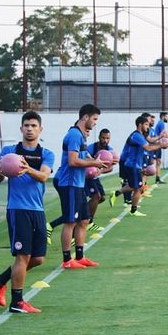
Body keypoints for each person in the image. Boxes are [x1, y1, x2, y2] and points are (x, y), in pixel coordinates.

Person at [0, 111, 54, 313]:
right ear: (21, 128)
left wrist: (27, 169)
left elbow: (44, 177)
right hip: (18, 209)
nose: (29, 129)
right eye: (26, 125)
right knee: (23, 256)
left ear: (40, 129)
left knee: (38, 258)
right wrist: (0, 171)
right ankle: (17, 302)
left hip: (38, 209)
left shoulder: (46, 154)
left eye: (33, 126)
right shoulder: (9, 151)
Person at [55, 104, 108, 269]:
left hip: (78, 184)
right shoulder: (74, 135)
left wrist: (98, 164)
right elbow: (72, 161)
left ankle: (79, 256)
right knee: (70, 222)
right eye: (94, 119)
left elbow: (85, 157)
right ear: (85, 117)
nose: (95, 123)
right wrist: (94, 162)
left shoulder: (81, 135)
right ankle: (66, 260)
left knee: (84, 220)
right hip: (69, 183)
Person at [118, 116, 168, 217]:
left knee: (134, 186)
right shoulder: (137, 136)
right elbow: (148, 147)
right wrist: (161, 145)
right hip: (133, 165)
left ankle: (116, 193)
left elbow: (150, 140)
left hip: (133, 165)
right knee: (138, 188)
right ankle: (133, 210)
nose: (147, 127)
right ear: (140, 125)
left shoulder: (140, 135)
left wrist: (162, 138)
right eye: (146, 124)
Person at [85, 128, 114, 231]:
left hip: (96, 176)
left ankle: (82, 210)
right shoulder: (91, 148)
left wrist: (100, 171)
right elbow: (84, 159)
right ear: (99, 137)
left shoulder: (109, 150)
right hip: (87, 176)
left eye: (107, 138)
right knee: (96, 196)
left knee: (102, 198)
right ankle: (89, 222)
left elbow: (111, 167)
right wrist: (92, 166)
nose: (105, 140)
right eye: (103, 138)